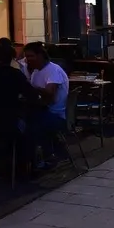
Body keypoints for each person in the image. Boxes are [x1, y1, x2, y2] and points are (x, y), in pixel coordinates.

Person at [22, 41, 70, 169]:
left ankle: (45, 157)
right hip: (43, 111)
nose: (28, 60)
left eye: (31, 56)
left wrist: (31, 88)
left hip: (56, 115)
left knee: (29, 126)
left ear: (40, 56)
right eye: (26, 57)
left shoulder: (53, 70)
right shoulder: (36, 71)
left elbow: (50, 93)